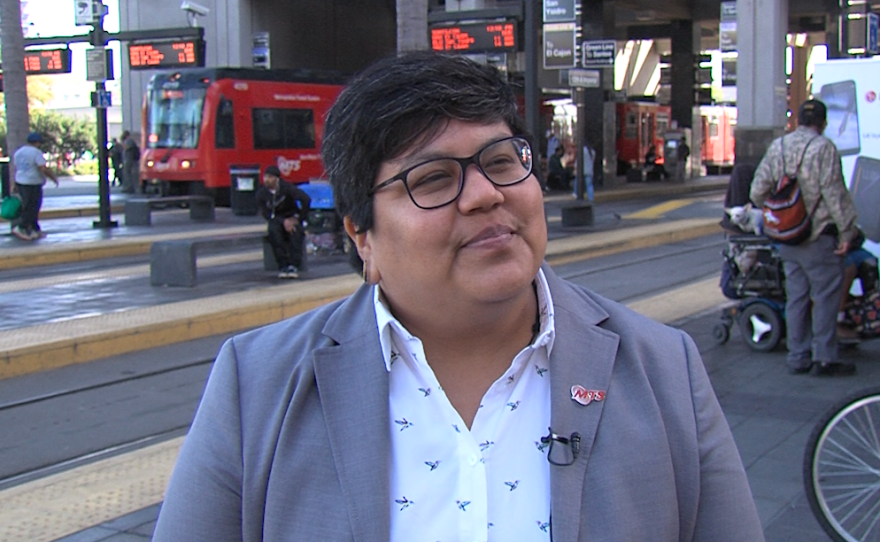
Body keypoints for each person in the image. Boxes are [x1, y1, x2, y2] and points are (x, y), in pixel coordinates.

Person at [153, 52, 764, 542]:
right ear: (361, 237)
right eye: (433, 179)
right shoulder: (256, 383)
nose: (484, 195)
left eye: (501, 162)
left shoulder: (664, 368)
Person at [750, 99, 859, 376]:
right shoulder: (824, 148)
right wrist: (847, 231)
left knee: (796, 296)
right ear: (823, 123)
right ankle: (824, 357)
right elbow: (834, 193)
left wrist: (780, 210)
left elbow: (756, 191)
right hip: (817, 237)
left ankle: (798, 357)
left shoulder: (779, 146)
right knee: (824, 296)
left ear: (797, 120)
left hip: (786, 237)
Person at [254, 165, 311, 278]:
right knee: (274, 232)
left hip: (291, 216)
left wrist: (298, 218)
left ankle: (294, 265)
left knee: (295, 233)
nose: (266, 180)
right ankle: (283, 265)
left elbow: (306, 199)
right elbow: (266, 214)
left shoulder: (287, 188)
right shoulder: (261, 194)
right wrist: (283, 221)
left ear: (276, 178)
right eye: (265, 177)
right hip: (276, 219)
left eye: (270, 177)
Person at [11, 132, 58, 241]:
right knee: (33, 206)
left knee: (27, 205)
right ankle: (21, 227)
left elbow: (18, 168)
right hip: (33, 183)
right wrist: (53, 178)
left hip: (21, 181)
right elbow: (42, 168)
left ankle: (34, 229)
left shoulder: (19, 152)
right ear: (37, 143)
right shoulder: (36, 153)